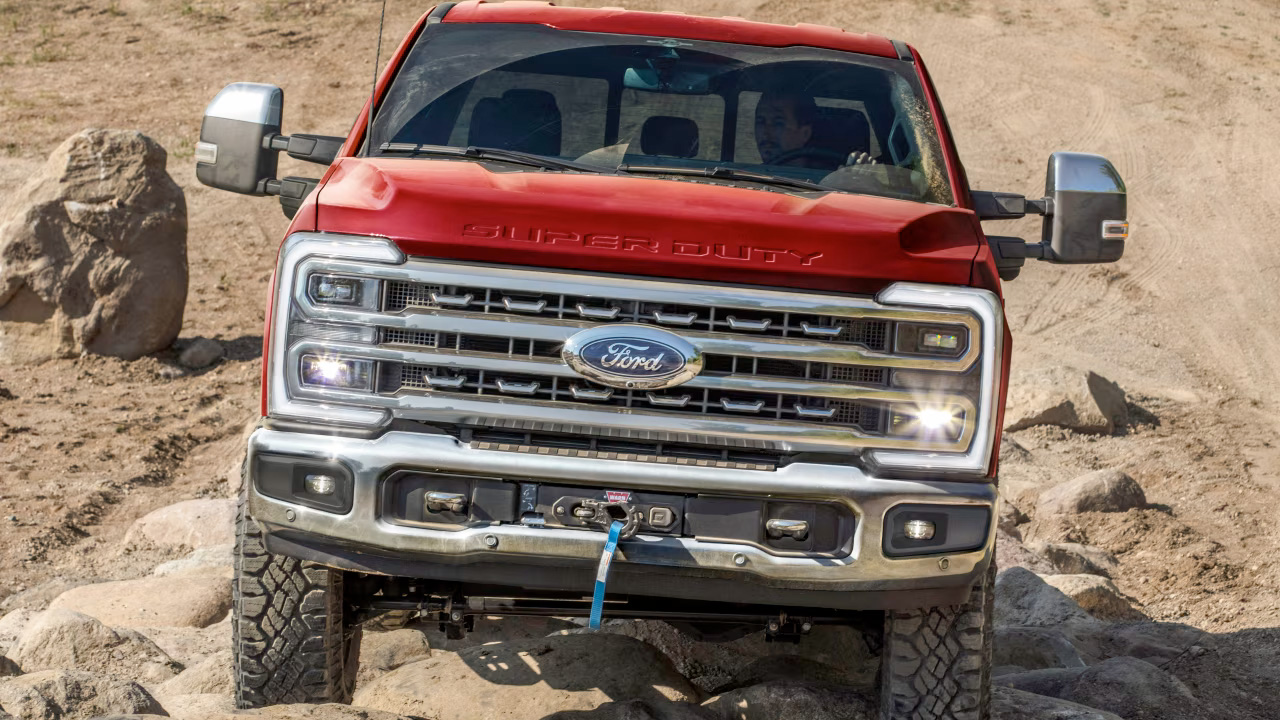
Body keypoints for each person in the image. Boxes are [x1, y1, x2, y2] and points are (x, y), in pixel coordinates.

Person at [754, 91, 819, 166]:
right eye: (760, 122)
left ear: (805, 133)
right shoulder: (748, 175)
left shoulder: (825, 177)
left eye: (778, 123)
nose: (766, 132)